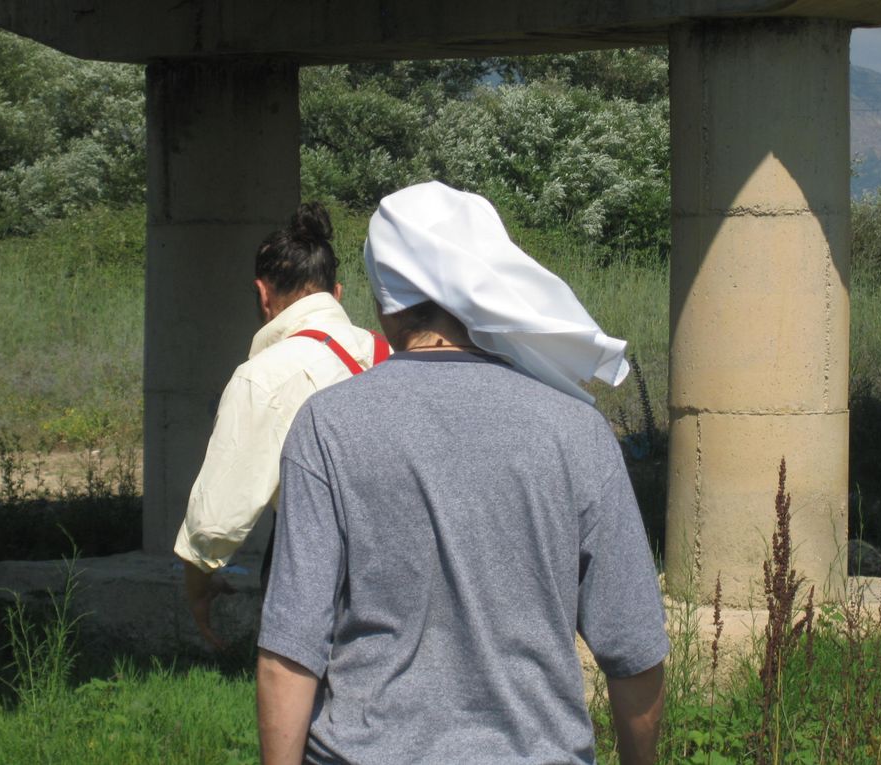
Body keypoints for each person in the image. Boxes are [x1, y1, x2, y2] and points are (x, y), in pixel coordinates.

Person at [256, 182, 669, 764]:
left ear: (383, 303)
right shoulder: (577, 432)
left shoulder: (328, 426)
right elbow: (634, 654)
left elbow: (288, 655)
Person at [174, 202, 389, 649]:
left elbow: (216, 522)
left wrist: (199, 585)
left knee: (309, 710)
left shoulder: (263, 376)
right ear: (338, 293)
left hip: (318, 564)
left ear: (262, 293)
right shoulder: (390, 355)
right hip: (404, 558)